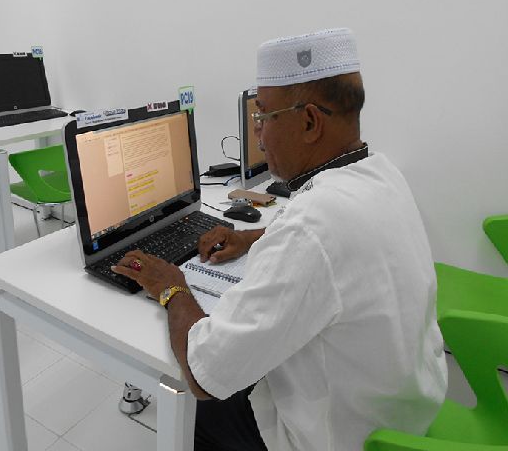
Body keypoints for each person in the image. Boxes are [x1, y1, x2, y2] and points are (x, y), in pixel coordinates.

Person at [113, 27, 447, 451]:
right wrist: (254, 237)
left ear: (309, 122)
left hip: (342, 438)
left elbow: (203, 373)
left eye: (263, 117)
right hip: (404, 411)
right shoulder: (379, 172)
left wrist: (171, 286)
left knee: (189, 405)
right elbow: (335, 241)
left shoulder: (312, 228)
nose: (257, 135)